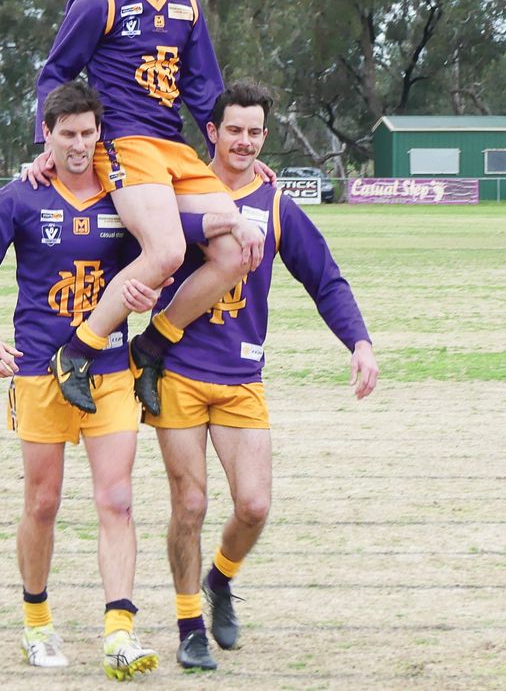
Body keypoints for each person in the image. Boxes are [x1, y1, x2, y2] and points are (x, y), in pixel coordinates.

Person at [139, 81, 378, 671]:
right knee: (189, 504)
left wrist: (359, 341)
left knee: (253, 506)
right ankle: (189, 626)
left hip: (241, 376)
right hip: (177, 370)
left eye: (254, 132)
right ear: (212, 132)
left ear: (264, 137)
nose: (243, 141)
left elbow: (324, 278)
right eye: (234, 130)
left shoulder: (275, 204)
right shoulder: (176, 192)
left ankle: (220, 579)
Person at [0, 81, 161, 680]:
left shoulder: (126, 194)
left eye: (88, 133)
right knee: (42, 503)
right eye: (67, 134)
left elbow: (162, 257)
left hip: (108, 370)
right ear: (47, 134)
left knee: (116, 499)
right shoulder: (20, 197)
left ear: (100, 133)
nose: (78, 145)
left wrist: (150, 291)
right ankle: (37, 623)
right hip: (40, 371)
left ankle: (120, 632)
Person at [28, 0, 265, 416]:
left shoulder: (187, 4)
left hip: (173, 148)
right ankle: (78, 351)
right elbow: (56, 73)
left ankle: (152, 345)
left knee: (239, 250)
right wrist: (49, 142)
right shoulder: (101, 0)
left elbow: (205, 90)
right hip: (124, 144)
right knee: (166, 252)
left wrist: (237, 148)